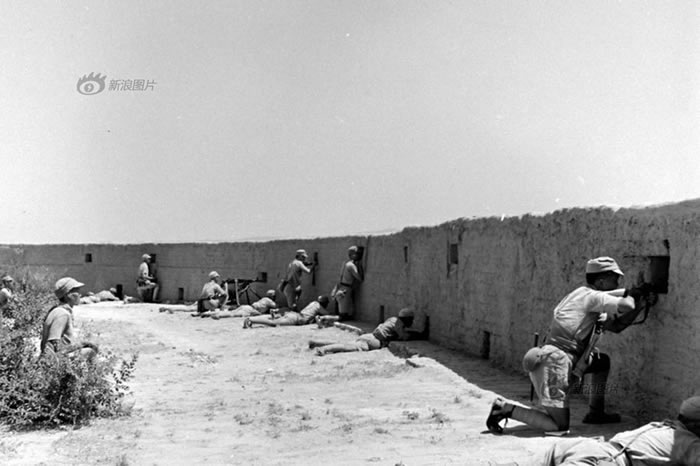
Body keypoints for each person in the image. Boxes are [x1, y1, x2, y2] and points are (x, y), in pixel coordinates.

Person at [486, 257, 657, 435]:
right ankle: (505, 408)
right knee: (559, 427)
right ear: (601, 281)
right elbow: (627, 305)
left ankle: (596, 413)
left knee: (602, 362)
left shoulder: (582, 297)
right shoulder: (591, 296)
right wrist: (635, 293)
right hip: (555, 363)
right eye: (614, 278)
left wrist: (640, 306)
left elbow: (617, 326)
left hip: (565, 360)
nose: (617, 283)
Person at [540, 396, 700, 465]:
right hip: (607, 460)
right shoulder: (689, 442)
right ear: (695, 424)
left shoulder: (660, 426)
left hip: (590, 447)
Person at [310, 308, 424, 356]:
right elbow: (404, 336)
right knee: (346, 347)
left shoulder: (393, 319)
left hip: (369, 336)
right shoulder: (399, 324)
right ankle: (323, 349)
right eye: (411, 319)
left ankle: (316, 342)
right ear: (407, 319)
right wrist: (419, 335)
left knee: (344, 343)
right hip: (373, 341)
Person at [40, 277, 98, 360]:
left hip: (57, 357)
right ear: (68, 294)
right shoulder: (62, 314)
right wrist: (81, 345)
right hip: (55, 361)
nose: (80, 294)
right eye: (77, 291)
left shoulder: (57, 310)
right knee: (90, 351)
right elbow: (53, 345)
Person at [243, 295, 330, 328]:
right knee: (273, 323)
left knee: (273, 320)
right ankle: (251, 320)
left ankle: (252, 320)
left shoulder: (314, 303)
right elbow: (328, 314)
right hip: (295, 318)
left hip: (294, 315)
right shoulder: (319, 306)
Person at [332, 245, 364, 321]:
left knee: (344, 314)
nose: (359, 256)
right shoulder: (351, 265)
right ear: (353, 255)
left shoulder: (345, 263)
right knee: (343, 316)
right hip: (345, 290)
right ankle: (323, 318)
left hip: (341, 288)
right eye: (357, 254)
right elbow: (360, 278)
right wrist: (360, 266)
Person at [211, 290, 278, 319]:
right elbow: (276, 306)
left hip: (247, 307)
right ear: (272, 296)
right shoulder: (269, 300)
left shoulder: (264, 299)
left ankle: (213, 313)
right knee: (232, 315)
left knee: (232, 312)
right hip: (250, 310)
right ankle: (218, 315)